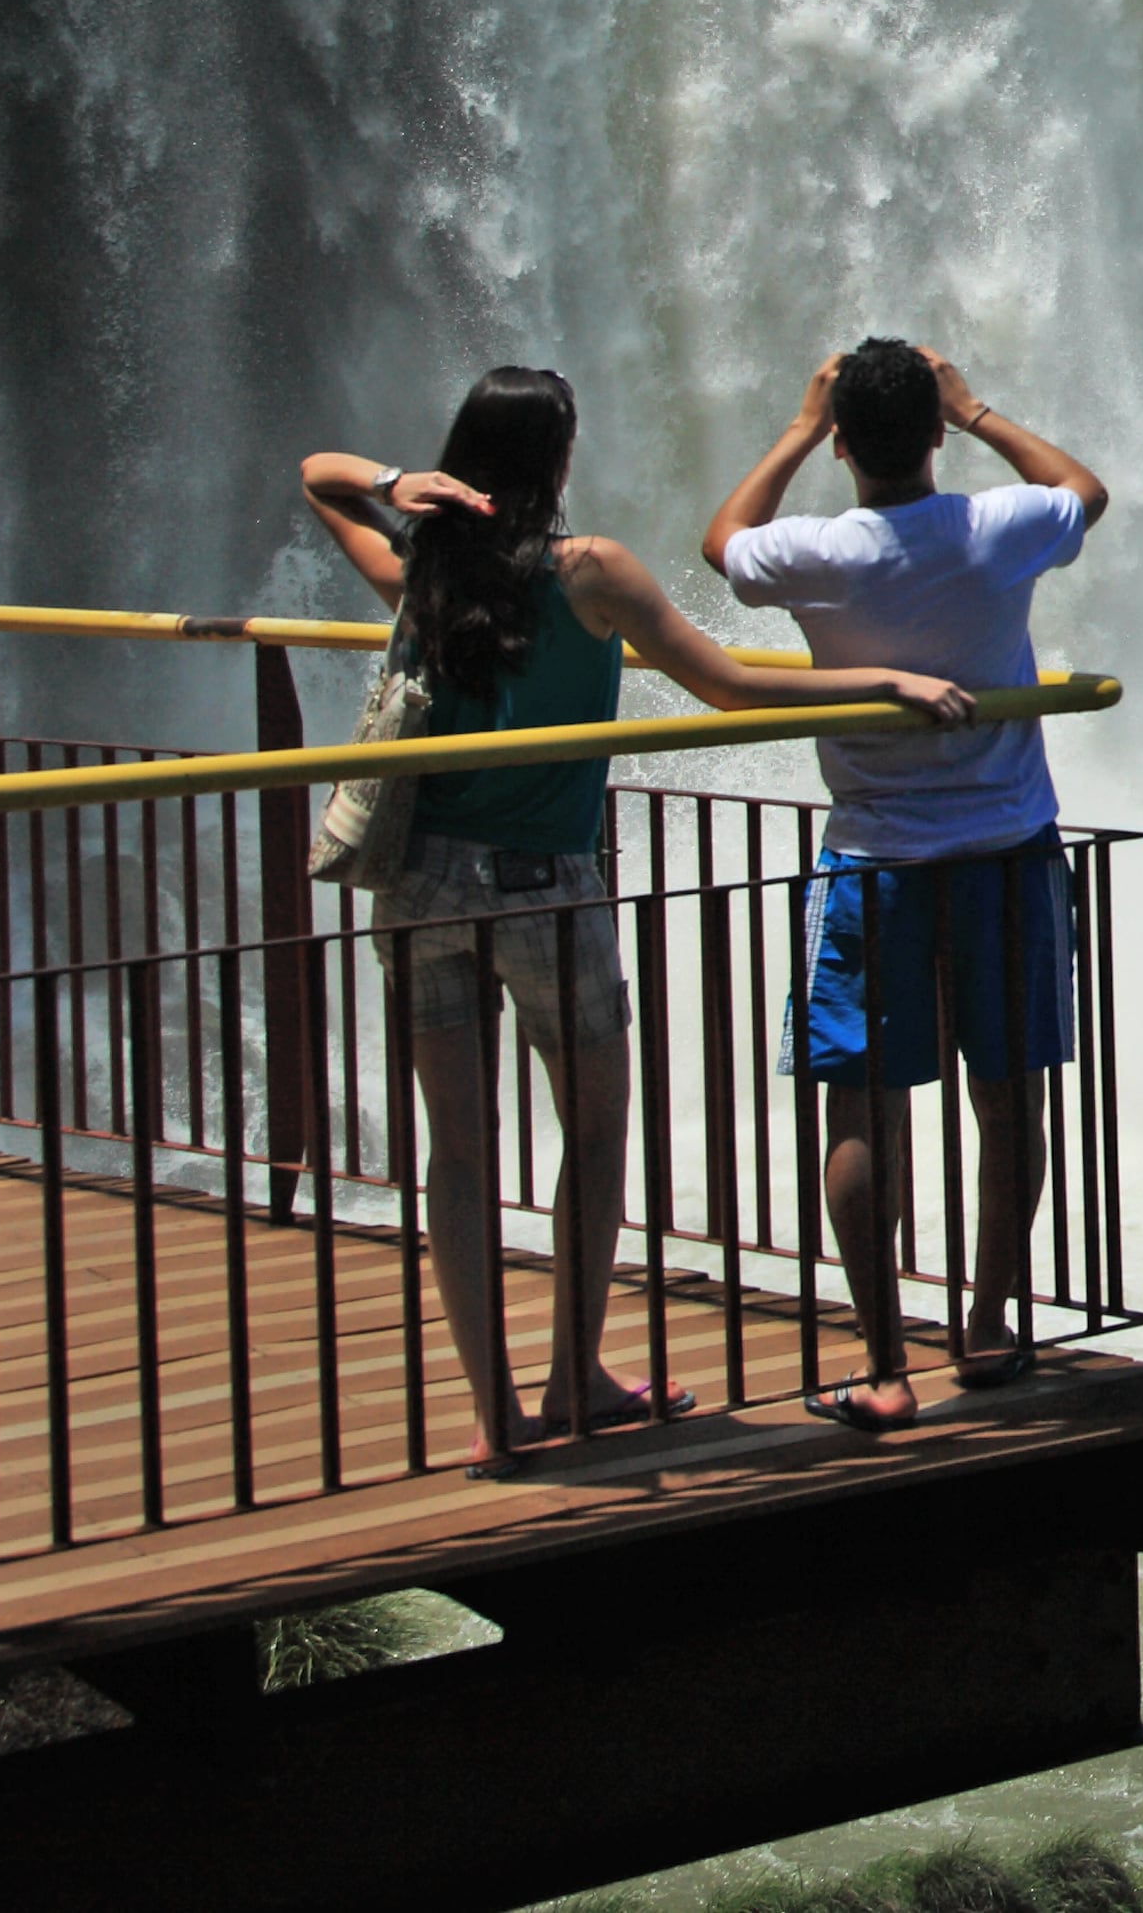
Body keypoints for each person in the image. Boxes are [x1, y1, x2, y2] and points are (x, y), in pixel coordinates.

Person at [299, 366, 974, 1472]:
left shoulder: (423, 571)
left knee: (458, 1159)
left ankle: (497, 1414)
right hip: (544, 889)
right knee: (596, 1128)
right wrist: (883, 680)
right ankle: (574, 1375)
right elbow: (727, 689)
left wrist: (395, 483)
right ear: (554, 465)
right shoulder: (590, 572)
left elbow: (318, 479)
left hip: (416, 885)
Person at [705, 339, 1108, 1432]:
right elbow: (1081, 490)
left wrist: (796, 425)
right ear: (932, 432)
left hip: (874, 864)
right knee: (1009, 1093)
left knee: (863, 1110)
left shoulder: (816, 554)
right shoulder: (994, 529)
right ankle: (986, 1325)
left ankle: (883, 1365)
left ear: (842, 442)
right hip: (1007, 855)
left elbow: (720, 543)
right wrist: (977, 408)